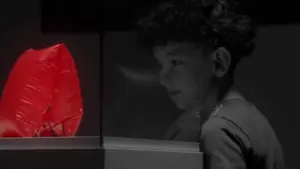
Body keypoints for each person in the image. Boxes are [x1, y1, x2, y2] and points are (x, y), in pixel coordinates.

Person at [134, 0, 285, 168]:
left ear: (219, 63)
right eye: (161, 64)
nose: (163, 79)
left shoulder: (218, 130)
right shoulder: (253, 119)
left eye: (176, 62)